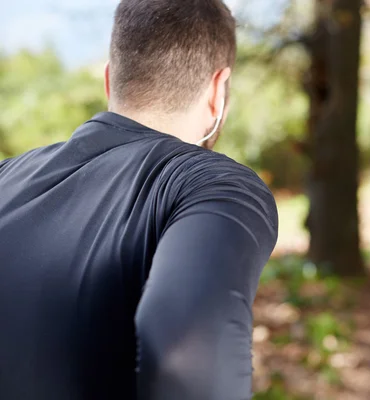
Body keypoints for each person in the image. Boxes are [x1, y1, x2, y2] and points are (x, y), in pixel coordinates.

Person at [0, 1, 278, 399]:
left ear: (110, 80)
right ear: (218, 90)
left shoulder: (5, 175)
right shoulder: (216, 185)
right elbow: (186, 359)